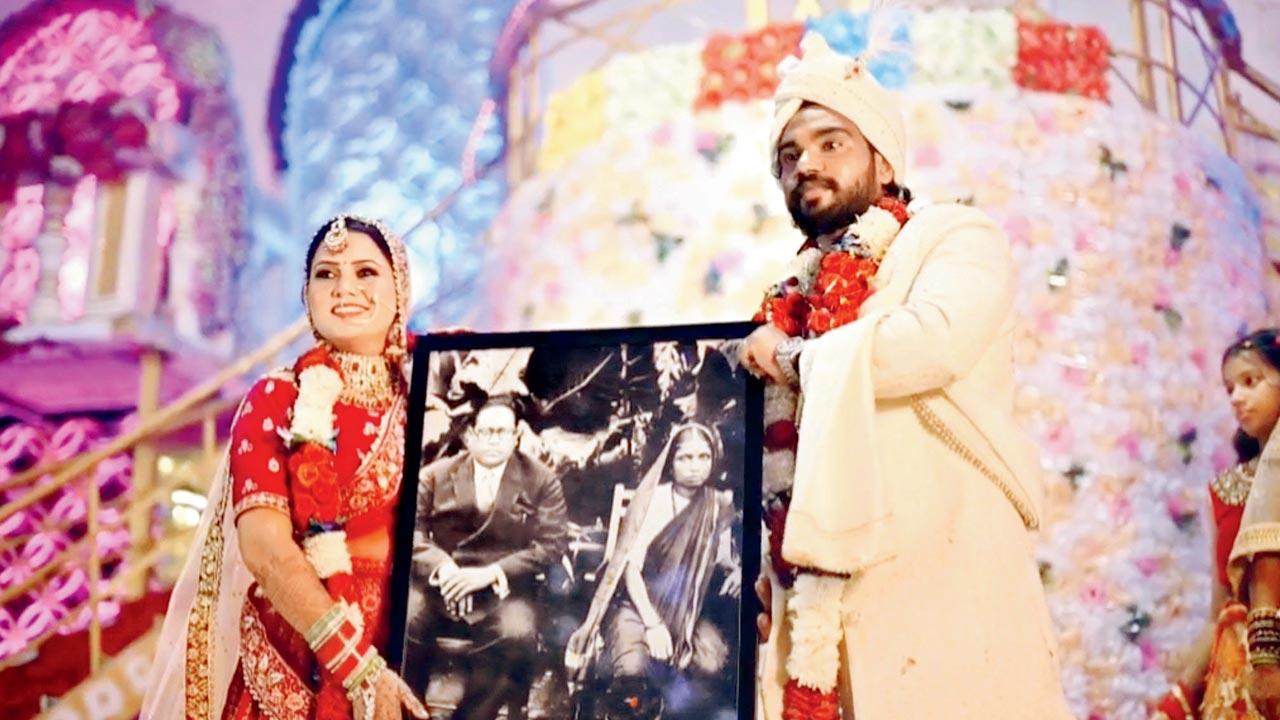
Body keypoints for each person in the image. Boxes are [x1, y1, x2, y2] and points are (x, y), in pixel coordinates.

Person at [739, 33, 1072, 718]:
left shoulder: (952, 236)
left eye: (831, 143)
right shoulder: (785, 303)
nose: (806, 164)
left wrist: (797, 360)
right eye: (789, 155)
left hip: (948, 592)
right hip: (825, 628)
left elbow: (929, 343)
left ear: (884, 161)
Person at [141, 215, 429, 720]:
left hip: (411, 653)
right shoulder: (279, 398)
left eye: (366, 273)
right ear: (307, 295)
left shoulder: (429, 390)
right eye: (326, 274)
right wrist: (357, 667)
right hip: (295, 670)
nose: (345, 289)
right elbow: (266, 550)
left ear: (400, 287)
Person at [406, 395, 569, 720]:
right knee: (406, 616)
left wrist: (490, 573)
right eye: (487, 431)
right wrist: (444, 569)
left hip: (503, 590)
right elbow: (410, 532)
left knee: (517, 630)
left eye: (503, 433)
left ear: (516, 437)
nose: (495, 440)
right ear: (471, 435)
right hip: (441, 585)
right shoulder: (435, 475)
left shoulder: (541, 480)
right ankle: (408, 710)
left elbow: (552, 544)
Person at [566, 423, 740, 719]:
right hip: (637, 605)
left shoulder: (717, 505)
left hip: (689, 613)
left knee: (711, 665)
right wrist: (653, 623)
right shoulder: (652, 500)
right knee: (632, 670)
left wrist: (739, 569)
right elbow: (630, 568)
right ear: (670, 461)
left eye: (703, 457)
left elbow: (725, 557)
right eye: (685, 458)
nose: (695, 467)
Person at [1153, 328, 1280, 720]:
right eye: (1230, 389)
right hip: (1243, 681)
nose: (1238, 398)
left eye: (1250, 381)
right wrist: (1178, 699)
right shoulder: (1226, 492)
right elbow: (1219, 610)